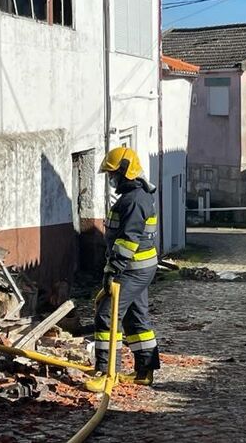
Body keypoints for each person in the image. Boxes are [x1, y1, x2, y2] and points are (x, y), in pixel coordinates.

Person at [85, 147, 160, 392]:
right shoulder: (134, 196)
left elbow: (128, 240)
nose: (111, 179)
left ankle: (107, 373)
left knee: (106, 315)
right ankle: (144, 372)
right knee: (136, 318)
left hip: (131, 269)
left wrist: (112, 270)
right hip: (138, 268)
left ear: (126, 171)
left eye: (113, 173)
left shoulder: (135, 200)